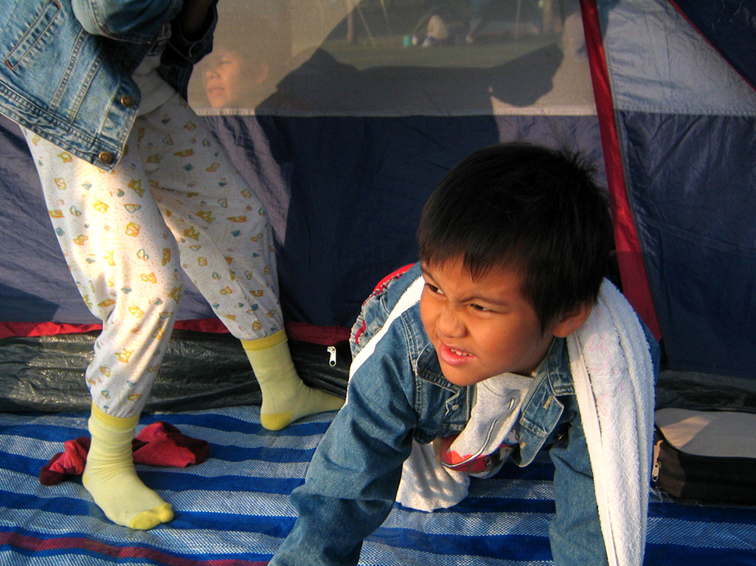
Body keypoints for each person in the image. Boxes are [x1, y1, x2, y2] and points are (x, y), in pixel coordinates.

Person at [0, 0, 342, 531]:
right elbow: (107, 16)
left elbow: (183, 37)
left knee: (237, 220)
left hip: (136, 82)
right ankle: (106, 460)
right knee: (148, 284)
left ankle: (281, 389)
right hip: (67, 92)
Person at [270, 142, 659, 566]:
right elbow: (343, 485)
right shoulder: (405, 349)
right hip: (400, 347)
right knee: (415, 467)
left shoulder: (608, 367)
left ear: (566, 315)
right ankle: (447, 434)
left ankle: (485, 438)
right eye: (435, 287)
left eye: (479, 306)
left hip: (506, 376)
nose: (448, 325)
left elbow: (597, 511)